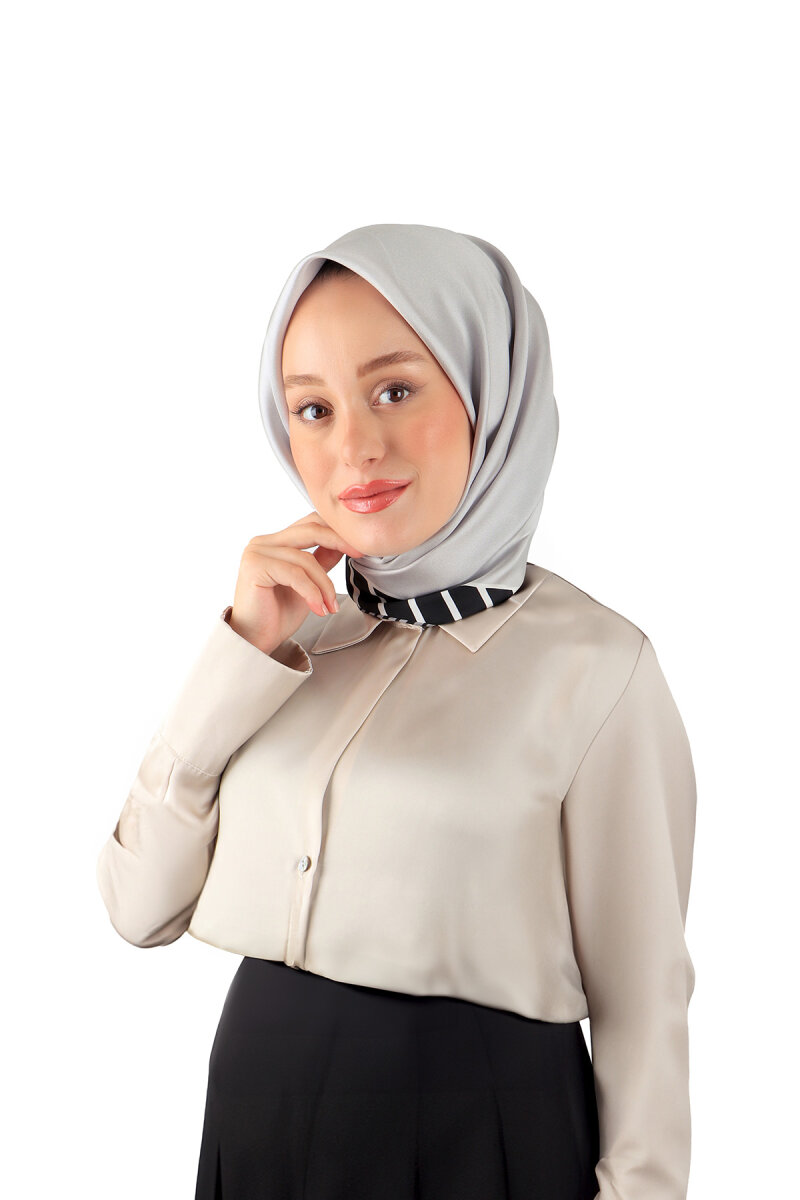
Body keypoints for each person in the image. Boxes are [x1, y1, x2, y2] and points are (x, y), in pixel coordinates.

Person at [96, 223, 697, 1200]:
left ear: (489, 391)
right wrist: (241, 651)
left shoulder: (597, 668)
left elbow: (643, 1000)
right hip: (257, 1124)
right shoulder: (291, 637)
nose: (354, 448)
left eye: (395, 391)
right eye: (313, 409)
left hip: (475, 1139)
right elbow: (137, 907)